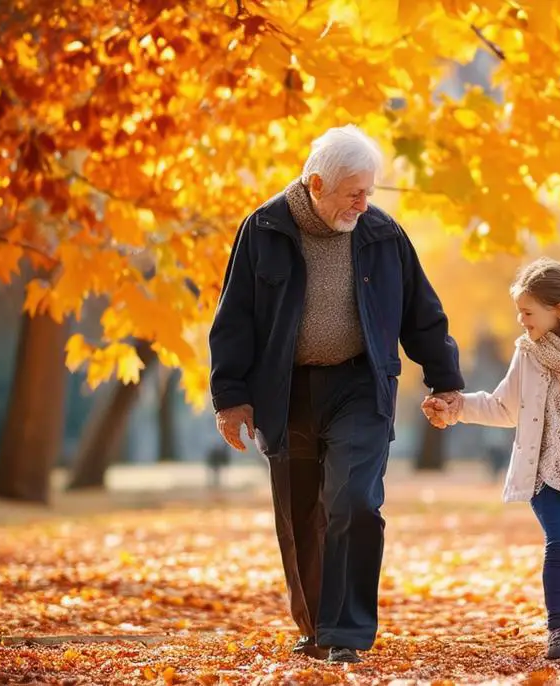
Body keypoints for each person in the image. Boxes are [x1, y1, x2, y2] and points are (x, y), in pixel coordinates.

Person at [208, 125, 464, 664]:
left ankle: (345, 633)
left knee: (355, 501)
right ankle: (317, 627)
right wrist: (231, 398)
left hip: (360, 385)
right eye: (354, 192)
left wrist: (445, 380)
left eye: (369, 191)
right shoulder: (265, 228)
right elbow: (234, 319)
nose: (363, 203)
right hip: (287, 389)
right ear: (316, 183)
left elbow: (422, 310)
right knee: (302, 511)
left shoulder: (381, 233)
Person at [422, 257, 560, 660]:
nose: (521, 321)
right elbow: (503, 406)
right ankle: (557, 630)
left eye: (527, 312)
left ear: (559, 311)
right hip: (544, 474)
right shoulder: (528, 355)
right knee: (558, 545)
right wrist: (455, 407)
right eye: (519, 312)